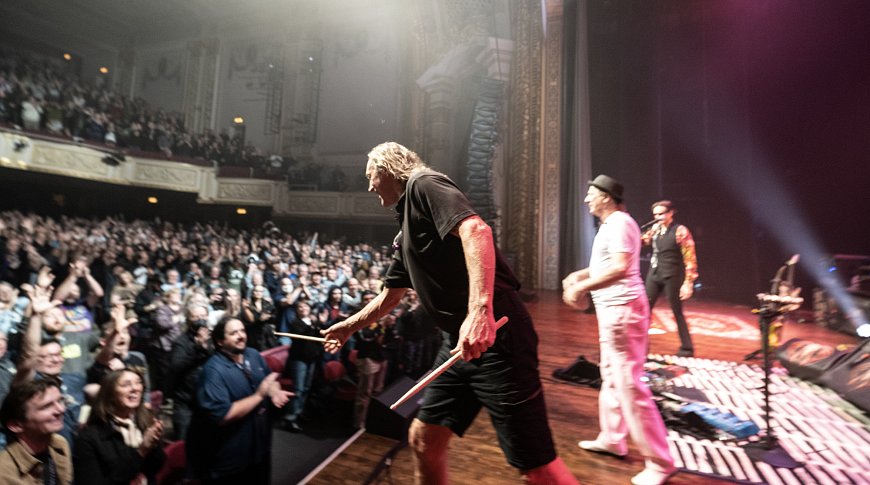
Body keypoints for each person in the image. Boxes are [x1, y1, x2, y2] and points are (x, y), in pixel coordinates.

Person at [322, 142, 576, 484]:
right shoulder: (405, 227)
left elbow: (476, 230)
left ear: (388, 169)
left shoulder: (422, 183)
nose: (369, 187)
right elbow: (390, 296)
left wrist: (479, 311)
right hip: (458, 342)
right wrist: (347, 327)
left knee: (536, 466)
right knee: (424, 439)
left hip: (496, 335)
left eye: (371, 177)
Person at [562, 175, 675, 485]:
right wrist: (580, 275)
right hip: (614, 310)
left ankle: (660, 462)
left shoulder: (620, 224)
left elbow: (621, 268)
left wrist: (581, 287)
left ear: (606, 197)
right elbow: (607, 265)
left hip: (623, 310)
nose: (586, 199)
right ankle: (613, 439)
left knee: (629, 383)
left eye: (591, 194)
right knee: (612, 375)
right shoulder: (611, 225)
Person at [186, 316, 292, 484]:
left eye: (242, 331)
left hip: (259, 449)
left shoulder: (253, 354)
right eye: (233, 333)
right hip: (231, 460)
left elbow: (269, 381)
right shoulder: (213, 371)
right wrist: (259, 395)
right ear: (220, 341)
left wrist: (274, 391)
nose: (241, 336)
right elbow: (222, 415)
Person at [73, 369, 165, 484]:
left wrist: (154, 445)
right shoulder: (89, 437)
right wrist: (142, 450)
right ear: (110, 394)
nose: (135, 388)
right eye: (126, 385)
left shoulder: (144, 422)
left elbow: (155, 468)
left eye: (138, 382)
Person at [641, 200, 699, 357]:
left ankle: (687, 347)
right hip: (654, 274)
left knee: (676, 310)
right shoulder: (655, 229)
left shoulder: (680, 231)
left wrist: (688, 282)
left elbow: (690, 258)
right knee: (644, 309)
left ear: (671, 213)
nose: (658, 217)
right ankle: (641, 346)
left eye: (661, 214)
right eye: (655, 214)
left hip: (672, 275)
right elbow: (642, 241)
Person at [0, 377, 72, 484]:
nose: (61, 410)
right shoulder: (4, 473)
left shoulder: (59, 444)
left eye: (60, 401)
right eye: (46, 406)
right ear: (16, 425)